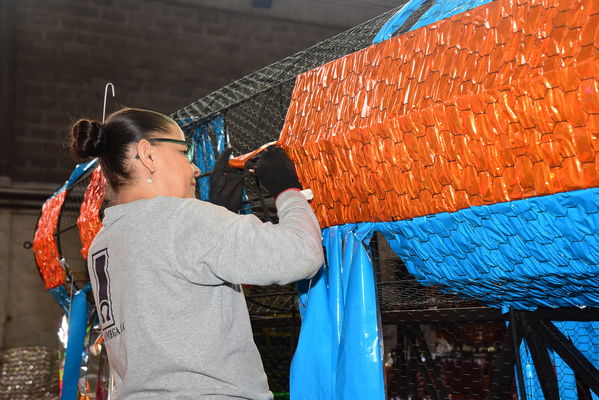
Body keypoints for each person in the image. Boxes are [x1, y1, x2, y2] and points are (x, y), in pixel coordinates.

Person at [71, 107, 324, 399]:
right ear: (148, 154)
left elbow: (178, 301)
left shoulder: (103, 241)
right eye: (184, 152)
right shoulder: (184, 219)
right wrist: (288, 190)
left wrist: (223, 215)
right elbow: (302, 254)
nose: (193, 168)